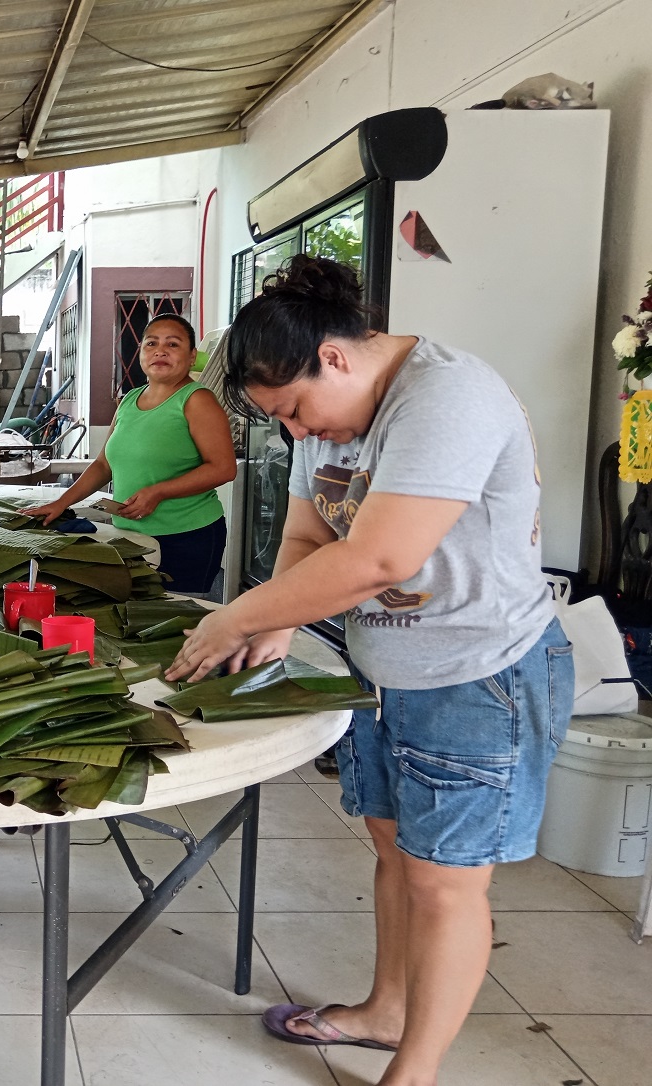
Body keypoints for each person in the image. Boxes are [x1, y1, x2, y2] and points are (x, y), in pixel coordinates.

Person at [166, 256, 572, 1086]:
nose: (303, 433)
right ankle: (387, 1013)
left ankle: (412, 1074)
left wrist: (236, 613)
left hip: (477, 677)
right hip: (388, 674)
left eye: (298, 411)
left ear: (337, 357)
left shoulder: (446, 396)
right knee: (394, 852)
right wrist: (277, 618)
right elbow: (310, 539)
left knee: (444, 885)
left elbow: (381, 555)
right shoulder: (330, 419)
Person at [23, 314, 236, 595]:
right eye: (151, 343)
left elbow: (223, 468)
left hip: (186, 537)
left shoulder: (197, 400)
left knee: (176, 626)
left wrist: (159, 492)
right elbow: (103, 464)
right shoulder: (128, 401)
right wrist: (62, 503)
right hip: (129, 535)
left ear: (192, 355)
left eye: (173, 344)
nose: (160, 351)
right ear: (141, 353)